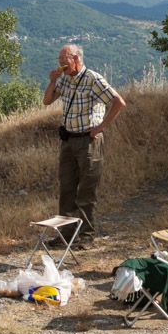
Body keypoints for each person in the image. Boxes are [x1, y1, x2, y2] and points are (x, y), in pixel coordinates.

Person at [43, 43, 126, 248]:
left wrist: (101, 127)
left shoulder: (93, 79)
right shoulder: (64, 78)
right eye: (60, 61)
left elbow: (118, 102)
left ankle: (87, 236)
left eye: (65, 61)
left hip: (88, 141)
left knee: (86, 191)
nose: (61, 65)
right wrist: (53, 81)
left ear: (77, 59)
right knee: (67, 188)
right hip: (68, 140)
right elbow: (47, 101)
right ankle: (66, 234)